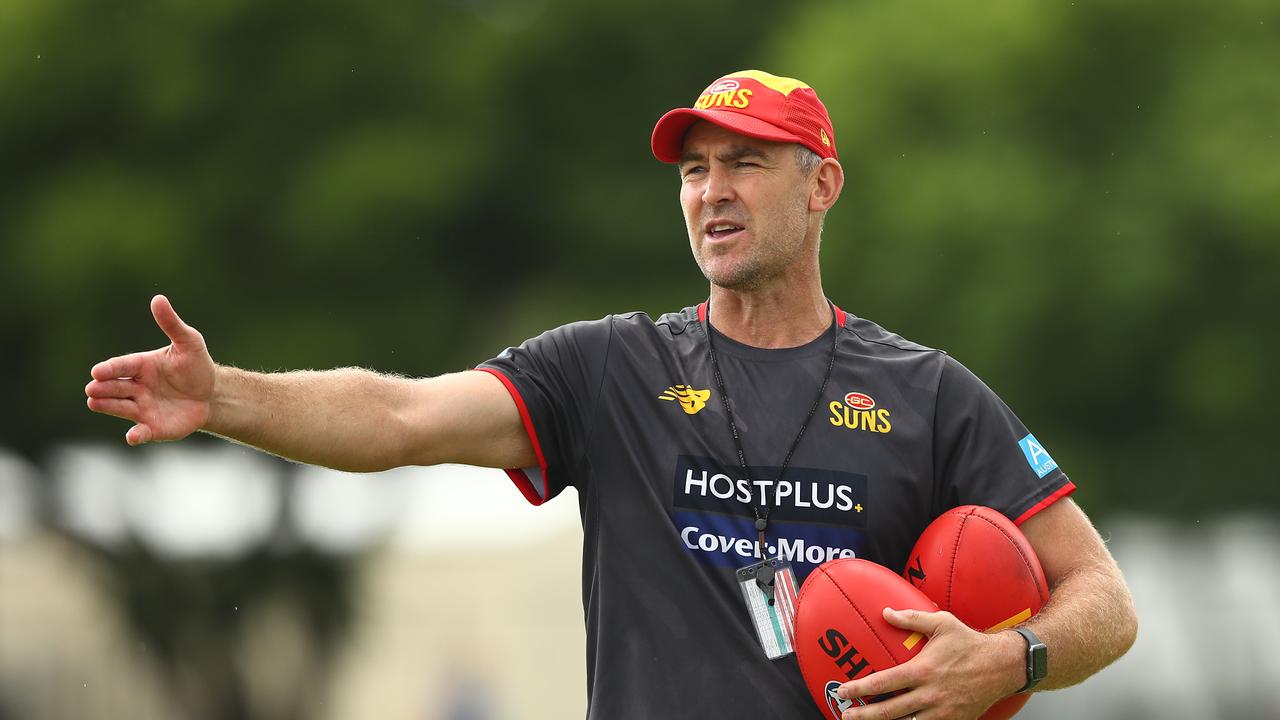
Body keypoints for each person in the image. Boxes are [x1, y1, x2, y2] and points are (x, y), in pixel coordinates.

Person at [85, 70, 1137, 719]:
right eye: (693, 170)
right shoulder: (610, 368)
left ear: (820, 186)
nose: (710, 190)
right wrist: (224, 397)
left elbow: (1101, 598)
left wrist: (1006, 659)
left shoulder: (928, 393)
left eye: (746, 164)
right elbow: (400, 417)